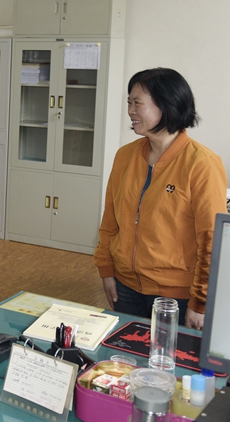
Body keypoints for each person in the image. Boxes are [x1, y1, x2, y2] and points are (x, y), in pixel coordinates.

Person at [94, 68, 227, 330]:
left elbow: (212, 240)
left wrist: (200, 302)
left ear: (167, 106)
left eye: (137, 103)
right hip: (125, 286)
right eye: (129, 102)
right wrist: (106, 269)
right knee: (126, 354)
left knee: (169, 357)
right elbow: (110, 221)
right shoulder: (125, 156)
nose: (130, 111)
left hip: (177, 296)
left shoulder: (201, 164)